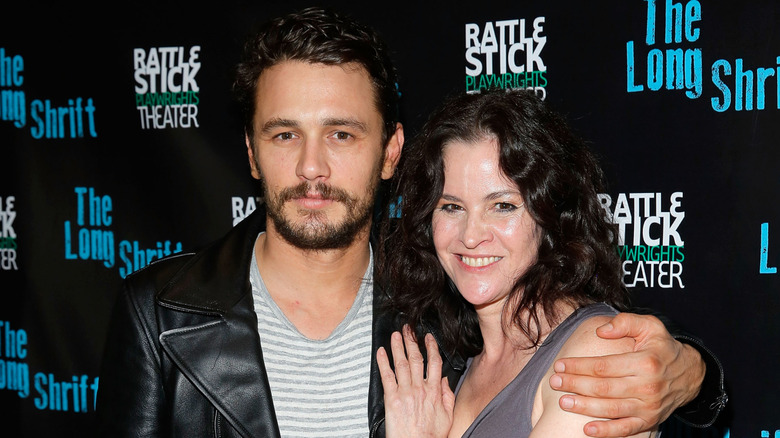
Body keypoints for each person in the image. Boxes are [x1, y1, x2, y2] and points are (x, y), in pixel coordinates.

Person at [96, 7, 724, 438]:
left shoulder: (436, 308)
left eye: (341, 134)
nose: (312, 166)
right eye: (285, 134)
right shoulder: (160, 314)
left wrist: (692, 374)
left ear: (391, 151)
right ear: (253, 153)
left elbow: (574, 346)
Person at [376, 89, 726, 437]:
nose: (470, 235)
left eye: (503, 206)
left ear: (550, 215)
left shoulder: (595, 355)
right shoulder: (464, 363)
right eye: (451, 207)